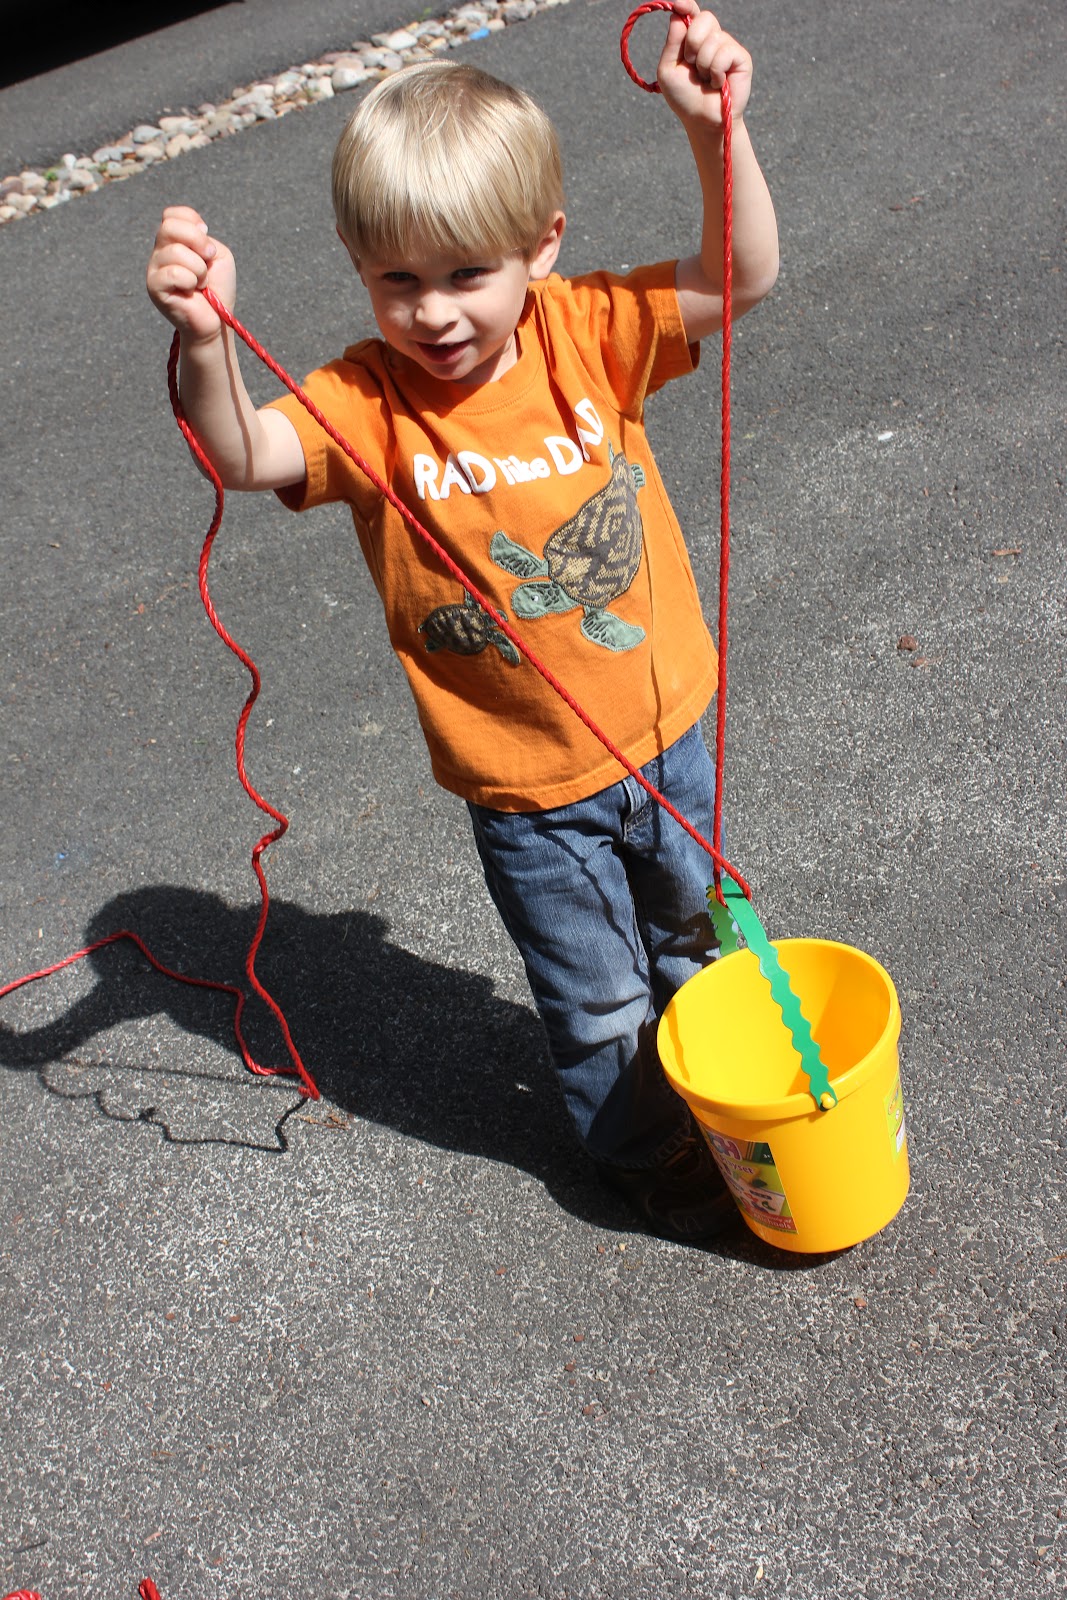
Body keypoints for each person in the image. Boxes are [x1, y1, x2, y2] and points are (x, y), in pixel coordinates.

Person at [146, 2, 779, 1244]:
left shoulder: (587, 331)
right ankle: (643, 1158)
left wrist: (715, 137)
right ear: (354, 261)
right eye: (396, 279)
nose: (432, 312)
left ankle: (727, 1102)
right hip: (524, 789)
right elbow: (241, 451)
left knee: (699, 947)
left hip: (671, 735)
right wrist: (205, 341)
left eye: (464, 275)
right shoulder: (366, 401)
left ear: (539, 248)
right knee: (594, 1001)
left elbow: (736, 275)